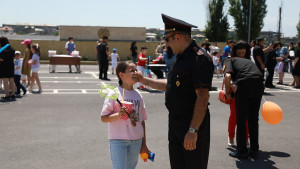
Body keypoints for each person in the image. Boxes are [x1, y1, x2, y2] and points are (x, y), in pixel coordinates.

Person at [135, 14, 214, 169]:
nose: (167, 45)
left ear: (177, 37)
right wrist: (143, 80)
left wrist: (192, 130)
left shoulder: (199, 59)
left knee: (193, 165)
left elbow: (203, 97)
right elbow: (170, 84)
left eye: (167, 40)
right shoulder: (180, 57)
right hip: (175, 122)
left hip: (192, 123)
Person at [101, 62, 151, 169]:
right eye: (132, 70)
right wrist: (118, 115)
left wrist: (144, 144)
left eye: (136, 70)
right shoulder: (114, 94)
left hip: (136, 141)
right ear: (122, 75)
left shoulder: (139, 96)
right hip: (118, 140)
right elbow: (104, 118)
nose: (136, 72)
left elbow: (142, 121)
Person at [223, 57, 264, 159]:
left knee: (241, 119)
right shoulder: (246, 61)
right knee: (253, 119)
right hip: (259, 82)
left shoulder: (229, 61)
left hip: (245, 83)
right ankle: (254, 150)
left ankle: (242, 151)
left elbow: (227, 76)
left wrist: (228, 93)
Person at [227, 41, 251, 147]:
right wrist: (231, 86)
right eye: (239, 52)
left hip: (247, 91)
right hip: (234, 91)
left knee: (246, 117)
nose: (241, 54)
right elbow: (228, 76)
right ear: (235, 52)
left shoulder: (249, 60)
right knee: (234, 116)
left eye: (243, 52)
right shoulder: (231, 61)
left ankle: (246, 138)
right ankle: (231, 136)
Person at [0, 36, 16, 101]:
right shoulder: (12, 48)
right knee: (11, 81)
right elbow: (13, 58)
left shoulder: (3, 49)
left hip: (4, 66)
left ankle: (7, 95)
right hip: (11, 66)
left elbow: (1, 59)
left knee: (5, 81)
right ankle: (13, 94)